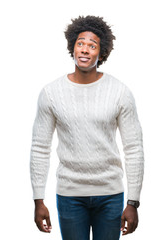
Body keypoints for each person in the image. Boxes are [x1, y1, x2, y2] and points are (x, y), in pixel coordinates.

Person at [30, 15, 144, 240]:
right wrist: (38, 199)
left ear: (101, 54)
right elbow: (40, 148)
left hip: (110, 195)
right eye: (80, 43)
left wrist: (133, 202)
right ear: (72, 48)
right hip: (70, 195)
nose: (84, 49)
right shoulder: (51, 93)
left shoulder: (120, 92)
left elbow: (134, 148)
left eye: (92, 46)